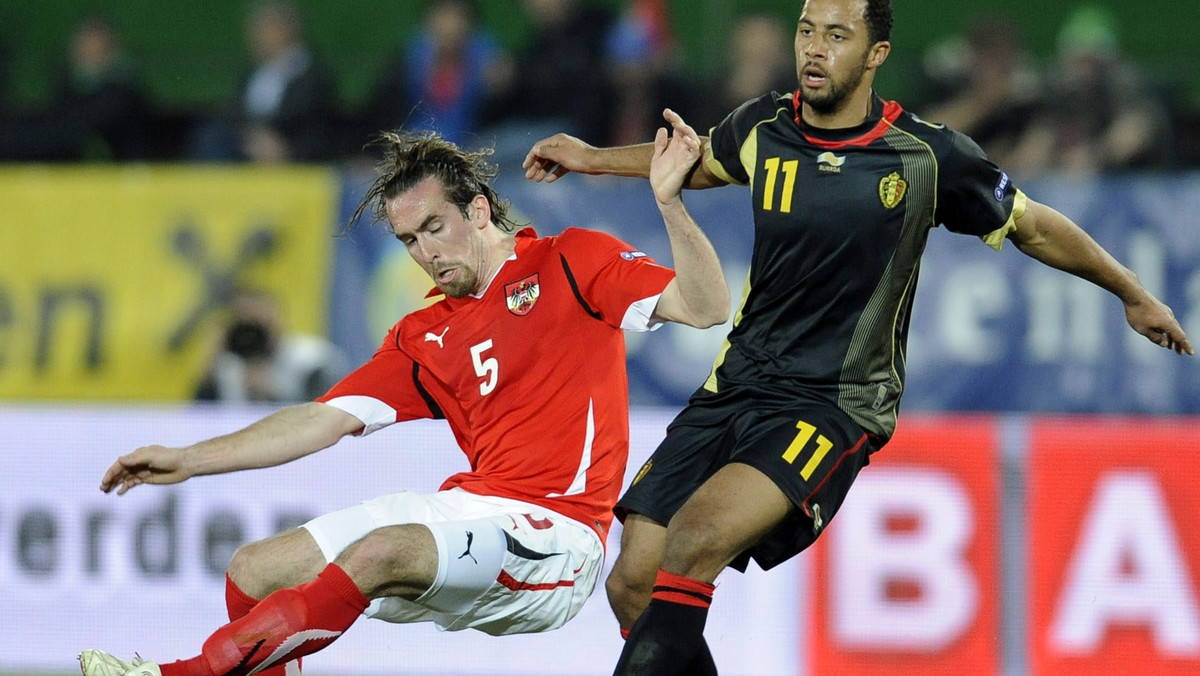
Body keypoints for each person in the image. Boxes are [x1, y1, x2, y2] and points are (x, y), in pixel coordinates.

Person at [522, 0, 1194, 674]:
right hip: (733, 388)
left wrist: (1132, 292)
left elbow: (1035, 226)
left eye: (837, 36)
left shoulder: (928, 156)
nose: (814, 49)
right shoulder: (765, 125)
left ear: (875, 55)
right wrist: (591, 157)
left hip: (830, 405)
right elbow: (694, 162)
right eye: (807, 31)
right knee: (632, 583)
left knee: (693, 544)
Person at [77, 110, 728, 676]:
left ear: (478, 207)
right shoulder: (424, 335)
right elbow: (320, 419)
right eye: (409, 240)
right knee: (255, 569)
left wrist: (670, 202)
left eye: (434, 228)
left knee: (386, 546)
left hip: (558, 533)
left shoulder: (570, 261)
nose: (425, 253)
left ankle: (181, 674)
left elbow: (706, 306)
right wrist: (191, 458)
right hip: (470, 511)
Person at [190, 1, 336, 163]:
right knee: (211, 135)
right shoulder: (252, 73)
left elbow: (312, 123)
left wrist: (280, 144)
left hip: (294, 154)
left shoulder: (313, 74)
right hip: (248, 146)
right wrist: (254, 136)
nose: (255, 37)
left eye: (262, 29)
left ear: (285, 29)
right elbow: (235, 110)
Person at [360, 0, 512, 148]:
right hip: (416, 143)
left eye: (457, 18)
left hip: (473, 142)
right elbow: (383, 109)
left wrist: (500, 82)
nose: (450, 27)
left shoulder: (484, 55)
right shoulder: (412, 58)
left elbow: (505, 87)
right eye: (443, 17)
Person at [193, 290, 347, 403]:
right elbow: (202, 415)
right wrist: (210, 372)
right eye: (245, 320)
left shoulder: (311, 358)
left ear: (276, 318)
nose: (252, 332)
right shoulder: (228, 366)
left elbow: (329, 411)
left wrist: (272, 393)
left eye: (258, 320)